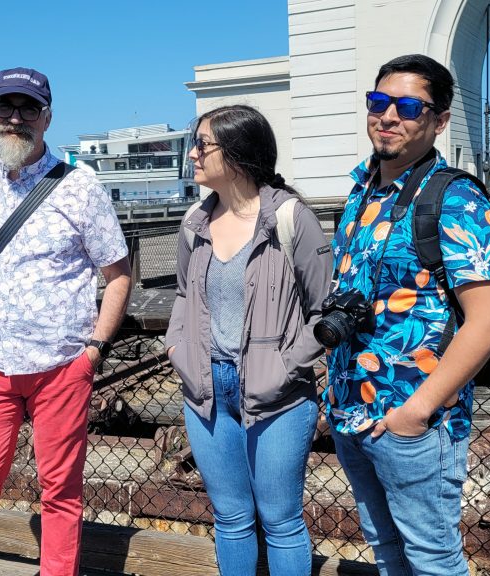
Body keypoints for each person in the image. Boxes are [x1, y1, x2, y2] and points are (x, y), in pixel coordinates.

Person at [0, 66, 132, 576]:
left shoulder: (81, 186)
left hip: (61, 366)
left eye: (29, 108)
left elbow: (117, 274)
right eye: (6, 107)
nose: (16, 118)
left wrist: (92, 351)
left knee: (62, 495)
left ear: (48, 118)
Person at [323, 54, 490, 575]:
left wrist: (417, 412)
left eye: (408, 106)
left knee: (432, 559)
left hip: (415, 421)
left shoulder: (455, 199)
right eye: (378, 102)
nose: (388, 117)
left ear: (439, 121)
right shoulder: (362, 191)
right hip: (352, 412)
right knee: (387, 554)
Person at [165, 104, 332, 575]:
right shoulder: (194, 222)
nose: (193, 155)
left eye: (202, 145)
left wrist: (286, 365)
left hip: (278, 393)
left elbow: (322, 308)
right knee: (231, 518)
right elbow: (182, 293)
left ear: (236, 154)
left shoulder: (290, 219)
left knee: (280, 521)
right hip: (206, 390)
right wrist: (178, 346)